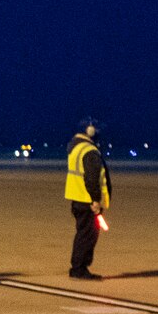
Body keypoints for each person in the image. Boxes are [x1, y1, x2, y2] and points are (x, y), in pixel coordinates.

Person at [65, 118, 113, 280]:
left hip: (77, 197)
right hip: (86, 200)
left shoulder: (76, 147)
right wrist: (95, 200)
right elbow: (92, 178)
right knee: (87, 235)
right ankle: (79, 268)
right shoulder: (89, 150)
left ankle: (78, 267)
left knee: (83, 233)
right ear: (90, 131)